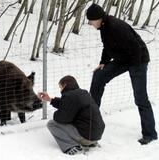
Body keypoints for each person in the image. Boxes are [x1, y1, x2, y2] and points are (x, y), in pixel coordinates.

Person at [86, 3, 157, 145]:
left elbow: (136, 48)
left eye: (91, 21)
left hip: (138, 60)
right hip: (124, 59)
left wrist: (135, 70)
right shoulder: (103, 27)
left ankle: (150, 134)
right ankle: (90, 119)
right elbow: (107, 46)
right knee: (99, 76)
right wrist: (103, 62)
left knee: (140, 98)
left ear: (98, 18)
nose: (90, 24)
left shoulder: (116, 27)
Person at [38, 75, 105, 155]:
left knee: (52, 124)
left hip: (87, 137)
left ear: (65, 85)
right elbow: (67, 105)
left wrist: (55, 113)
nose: (60, 90)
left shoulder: (69, 96)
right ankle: (91, 143)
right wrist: (50, 100)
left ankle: (72, 147)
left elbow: (61, 118)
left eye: (60, 87)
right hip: (96, 135)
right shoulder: (83, 93)